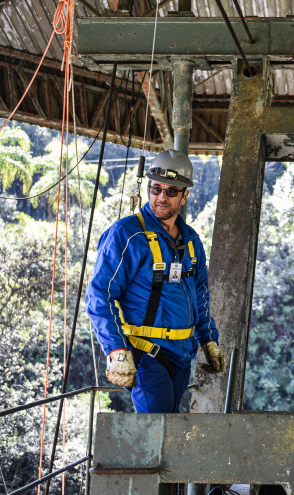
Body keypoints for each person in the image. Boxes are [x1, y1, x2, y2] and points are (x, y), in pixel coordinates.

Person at [86, 150, 224, 413]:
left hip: (183, 354)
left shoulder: (192, 241)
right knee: (157, 429)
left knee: (168, 430)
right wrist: (116, 350)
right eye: (156, 188)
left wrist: (209, 339)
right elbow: (100, 295)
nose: (161, 197)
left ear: (184, 195)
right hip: (145, 353)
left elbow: (200, 294)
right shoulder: (127, 234)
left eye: (171, 191)